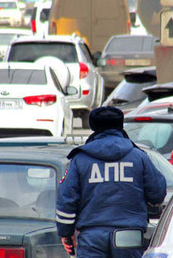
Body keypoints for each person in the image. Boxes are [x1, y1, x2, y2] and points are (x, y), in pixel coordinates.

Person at [55, 106, 167, 257]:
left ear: (93, 127)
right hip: (129, 236)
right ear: (120, 125)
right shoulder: (139, 157)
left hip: (91, 238)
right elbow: (158, 193)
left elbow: (66, 200)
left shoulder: (80, 159)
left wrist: (66, 234)